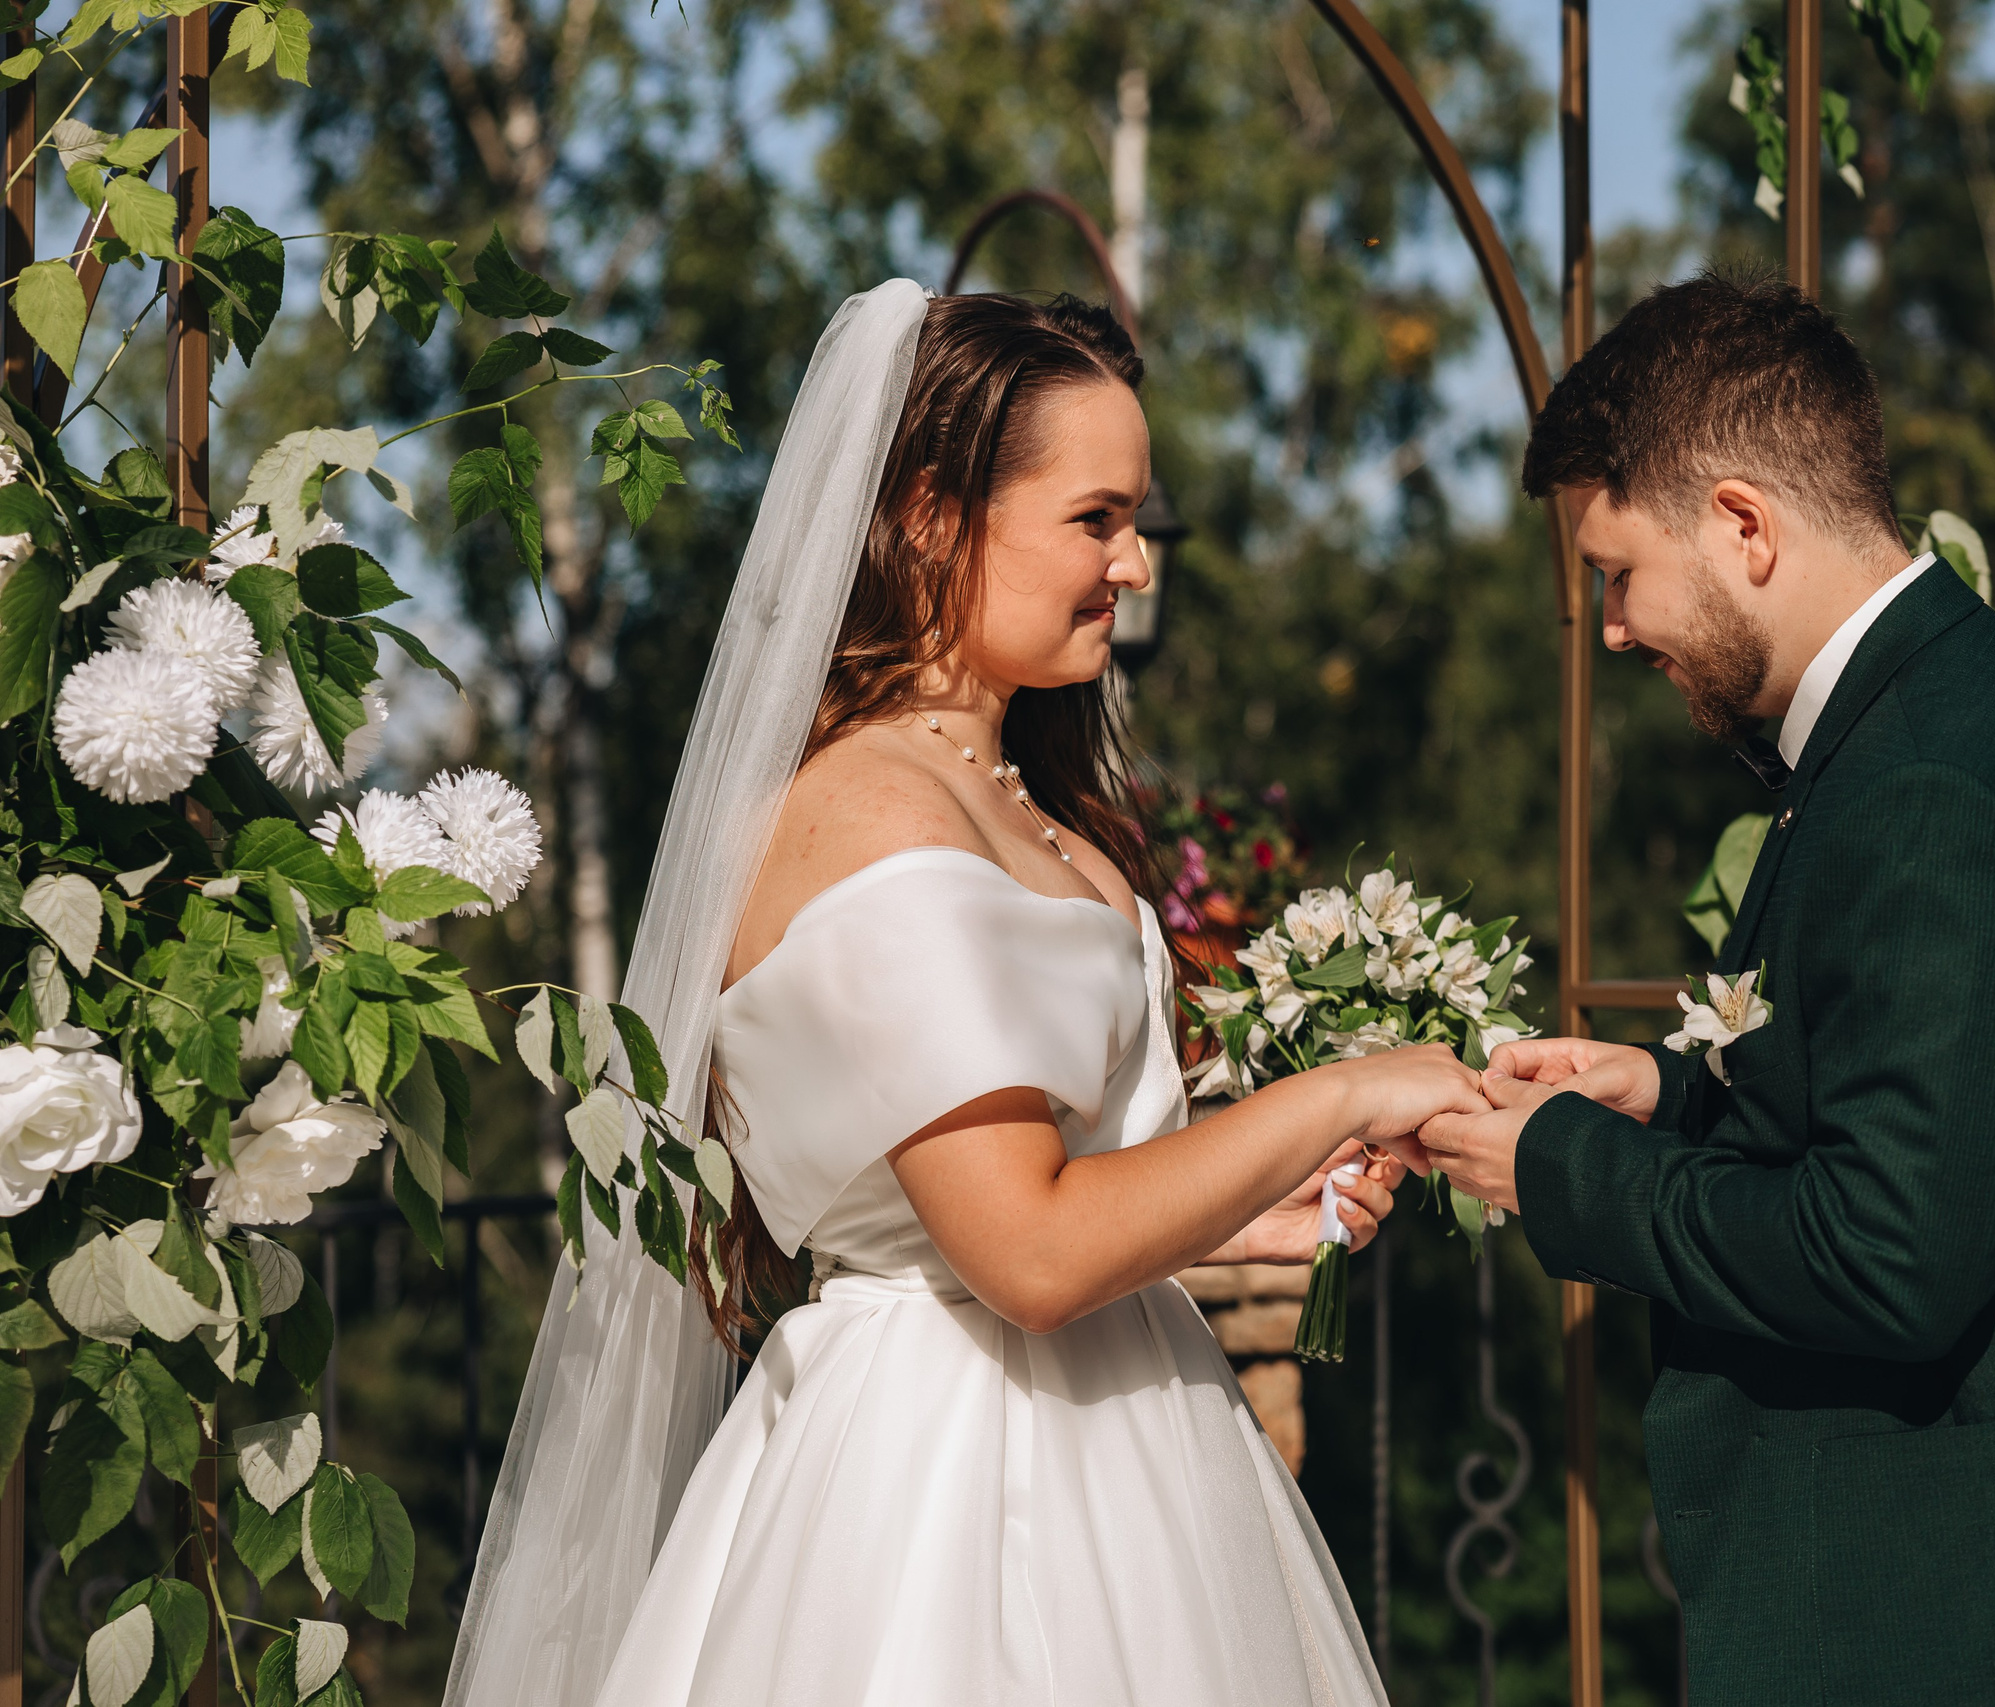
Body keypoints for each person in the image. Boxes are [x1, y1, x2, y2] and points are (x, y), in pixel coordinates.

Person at [444, 282, 1483, 1707]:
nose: (1134, 566)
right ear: (934, 517)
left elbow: (1055, 1202)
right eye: (1096, 519)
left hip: (1136, 1466)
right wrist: (1344, 1092)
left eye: (1135, 523)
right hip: (937, 1501)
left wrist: (1254, 1215)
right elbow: (1029, 1257)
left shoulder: (1027, 810)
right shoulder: (871, 816)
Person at [1408, 273, 1995, 1704]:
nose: (1616, 630)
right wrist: (1670, 1091)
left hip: (1984, 1608)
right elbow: (1934, 1096)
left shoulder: (1930, 780)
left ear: (1742, 524)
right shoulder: (1931, 715)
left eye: (1618, 572)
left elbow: (1889, 1251)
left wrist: (1566, 1168)